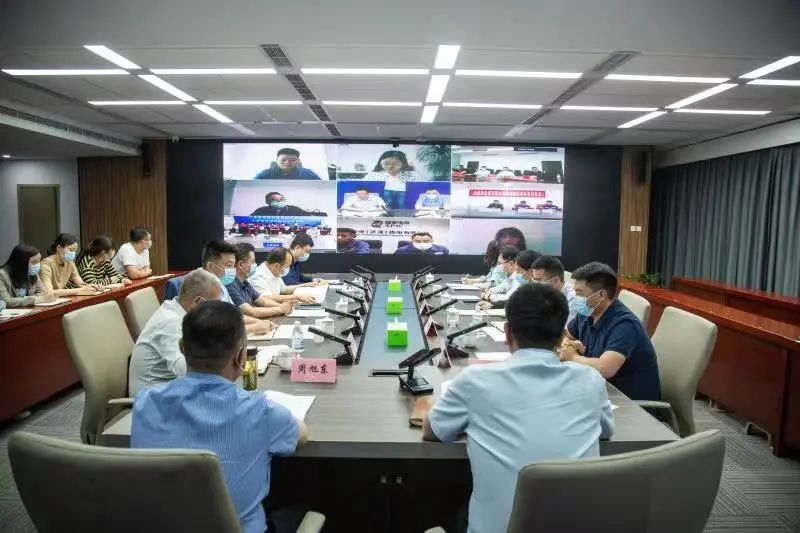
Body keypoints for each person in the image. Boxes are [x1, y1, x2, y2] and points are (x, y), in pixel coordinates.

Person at [415, 283, 614, 533]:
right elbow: (606, 431)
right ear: (562, 337)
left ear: (508, 332)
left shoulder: (475, 381)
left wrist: (439, 402)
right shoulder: (590, 380)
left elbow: (432, 431)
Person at [131, 300, 308, 533]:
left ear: (182, 348)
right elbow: (301, 434)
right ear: (240, 356)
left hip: (164, 525)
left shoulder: (146, 402)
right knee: (298, 508)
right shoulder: (261, 411)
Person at [561, 262, 661, 401]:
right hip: (599, 390)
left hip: (630, 402)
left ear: (601, 295)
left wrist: (572, 357)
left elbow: (605, 368)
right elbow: (564, 336)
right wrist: (570, 345)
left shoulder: (625, 324)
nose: (576, 298)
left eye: (579, 293)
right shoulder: (586, 313)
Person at [128, 268, 222, 395]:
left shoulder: (184, 313)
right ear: (199, 302)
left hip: (174, 390)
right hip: (154, 399)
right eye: (217, 306)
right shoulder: (170, 322)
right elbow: (185, 371)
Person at [202, 239, 275, 336]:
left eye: (233, 265)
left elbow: (235, 315)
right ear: (211, 266)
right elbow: (215, 331)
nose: (233, 270)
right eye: (229, 265)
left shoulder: (221, 285)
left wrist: (260, 322)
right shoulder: (199, 288)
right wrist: (255, 327)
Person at [227, 243, 294, 319]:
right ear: (241, 265)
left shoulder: (245, 282)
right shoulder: (230, 284)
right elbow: (250, 312)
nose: (255, 264)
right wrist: (280, 309)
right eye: (253, 261)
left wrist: (282, 306)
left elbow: (262, 301)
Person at [249, 247, 317, 303]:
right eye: (287, 266)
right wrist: (296, 296)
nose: (288, 269)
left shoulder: (275, 272)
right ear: (277, 266)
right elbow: (266, 298)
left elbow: (284, 289)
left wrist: (304, 285)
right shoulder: (258, 276)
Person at [531, 255, 579, 324]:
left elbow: (566, 327)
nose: (535, 283)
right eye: (534, 279)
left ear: (555, 280)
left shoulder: (574, 298)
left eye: (538, 280)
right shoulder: (543, 292)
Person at [253, 147, 321, 180]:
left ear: (298, 161)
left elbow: (320, 186)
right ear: (276, 160)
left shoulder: (307, 173)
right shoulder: (266, 173)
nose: (287, 162)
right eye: (283, 160)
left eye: (292, 160)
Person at [250, 192, 326, 217]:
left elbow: (308, 214)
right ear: (267, 202)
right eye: (274, 199)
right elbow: (249, 220)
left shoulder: (294, 209)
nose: (279, 201)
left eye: (281, 199)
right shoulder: (261, 211)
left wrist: (321, 215)